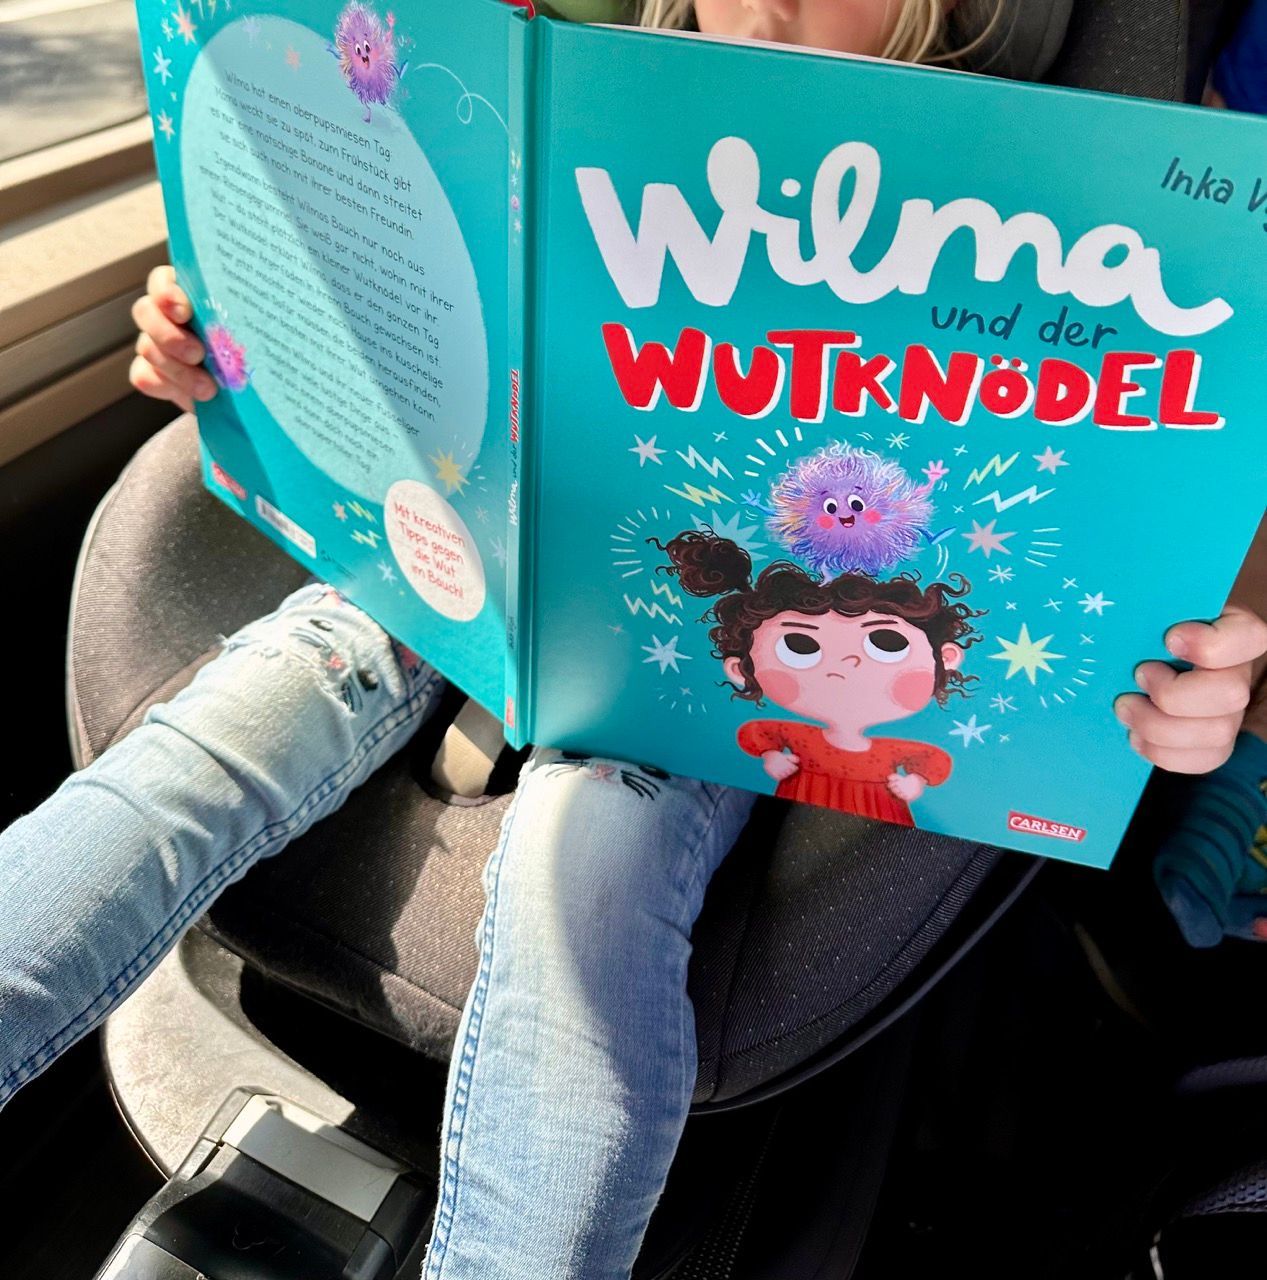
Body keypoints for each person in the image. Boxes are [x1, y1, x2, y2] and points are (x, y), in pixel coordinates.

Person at [2, 4, 1265, 1279]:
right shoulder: (580, 89)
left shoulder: (1040, 203)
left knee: (586, 872)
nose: (764, 4)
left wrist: (1183, 679)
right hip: (444, 559)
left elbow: (1124, 505)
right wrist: (226, 319)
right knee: (210, 742)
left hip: (708, 673)